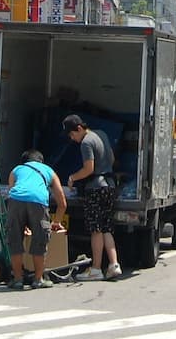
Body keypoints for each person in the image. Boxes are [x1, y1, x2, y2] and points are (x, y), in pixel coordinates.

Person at [64, 114, 121, 281]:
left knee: (95, 229)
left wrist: (73, 178)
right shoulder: (101, 134)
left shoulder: (86, 142)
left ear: (79, 129)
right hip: (109, 186)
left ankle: (96, 268)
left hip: (95, 189)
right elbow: (112, 158)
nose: (73, 139)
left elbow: (89, 169)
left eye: (72, 134)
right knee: (106, 228)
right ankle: (113, 264)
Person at [6, 148, 68, 289]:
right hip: (38, 201)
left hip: (15, 200)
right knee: (40, 240)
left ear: (24, 161)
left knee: (15, 241)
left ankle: (17, 280)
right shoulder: (49, 171)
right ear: (41, 161)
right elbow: (62, 202)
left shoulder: (16, 170)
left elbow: (11, 192)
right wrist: (56, 222)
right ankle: (38, 279)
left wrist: (24, 223)